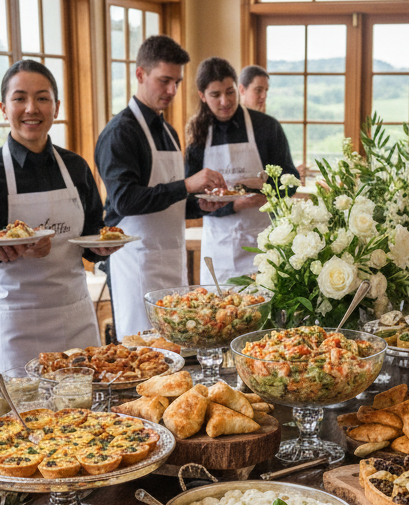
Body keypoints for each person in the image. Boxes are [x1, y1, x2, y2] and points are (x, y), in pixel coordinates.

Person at [0, 60, 113, 376]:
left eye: (42, 98)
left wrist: (102, 247)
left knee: (88, 417)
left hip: (75, 318)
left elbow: (90, 235)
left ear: (56, 107)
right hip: (18, 325)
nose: (32, 108)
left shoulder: (76, 168)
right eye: (20, 98)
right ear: (3, 108)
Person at [94, 35, 224, 338]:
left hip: (171, 260)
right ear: (140, 74)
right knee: (143, 355)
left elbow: (170, 199)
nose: (171, 91)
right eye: (164, 80)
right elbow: (125, 200)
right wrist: (187, 185)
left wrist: (199, 203)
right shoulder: (119, 133)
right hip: (135, 266)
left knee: (176, 351)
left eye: (177, 82)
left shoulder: (168, 131)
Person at [186, 57, 295, 283]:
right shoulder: (197, 135)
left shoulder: (266, 127)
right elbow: (191, 201)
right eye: (215, 95)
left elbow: (292, 180)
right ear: (202, 96)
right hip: (218, 247)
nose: (225, 101)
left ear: (239, 88)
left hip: (262, 244)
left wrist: (268, 190)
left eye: (230, 92)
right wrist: (233, 204)